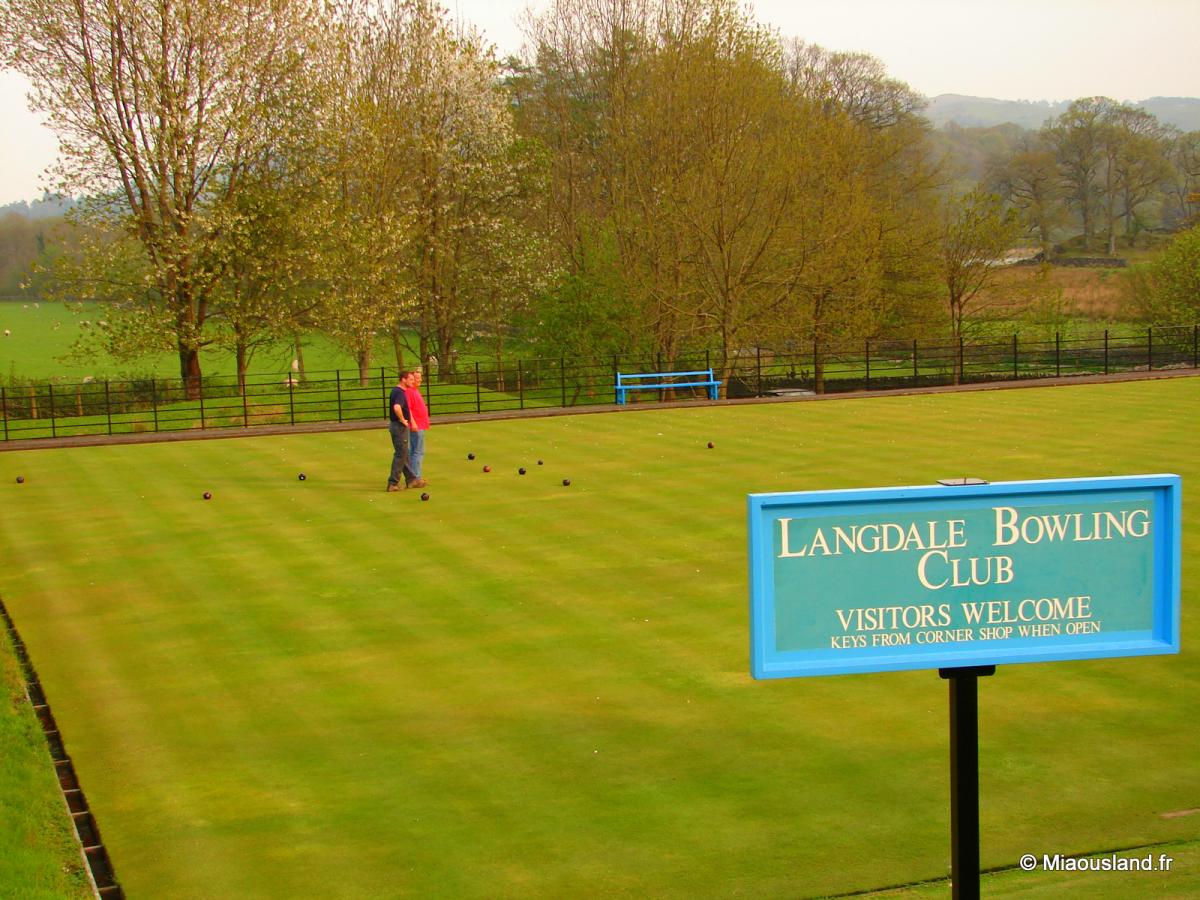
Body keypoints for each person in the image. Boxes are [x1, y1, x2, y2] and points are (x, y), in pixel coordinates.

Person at [386, 370, 416, 492]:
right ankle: (393, 483)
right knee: (400, 454)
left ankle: (412, 480)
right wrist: (403, 419)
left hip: (397, 427)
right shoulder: (399, 392)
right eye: (411, 379)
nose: (413, 382)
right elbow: (397, 407)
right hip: (399, 427)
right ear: (403, 379)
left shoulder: (397, 391)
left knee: (404, 453)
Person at [404, 369, 431, 488]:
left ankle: (413, 477)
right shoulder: (409, 392)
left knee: (414, 451)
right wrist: (413, 423)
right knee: (417, 452)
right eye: (417, 378)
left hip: (420, 425)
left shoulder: (415, 391)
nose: (420, 380)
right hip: (416, 426)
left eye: (420, 377)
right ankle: (416, 478)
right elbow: (408, 409)